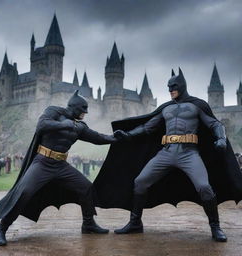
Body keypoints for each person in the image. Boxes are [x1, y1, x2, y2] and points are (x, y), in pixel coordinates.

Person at [94, 68, 242, 242]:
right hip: (167, 152)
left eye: (173, 86)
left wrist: (221, 139)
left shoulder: (198, 105)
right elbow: (148, 127)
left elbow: (215, 124)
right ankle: (135, 222)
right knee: (140, 182)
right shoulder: (166, 108)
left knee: (204, 187)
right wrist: (128, 135)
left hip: (189, 153)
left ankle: (215, 227)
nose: (170, 89)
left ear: (182, 86)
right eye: (168, 87)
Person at [0, 90, 117, 246]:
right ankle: (2, 229)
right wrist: (63, 124)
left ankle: (88, 223)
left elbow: (98, 138)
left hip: (61, 165)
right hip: (42, 162)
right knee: (24, 192)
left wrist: (116, 137)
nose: (85, 114)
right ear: (75, 108)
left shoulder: (80, 127)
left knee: (86, 187)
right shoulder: (54, 111)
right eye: (83, 110)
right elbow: (41, 126)